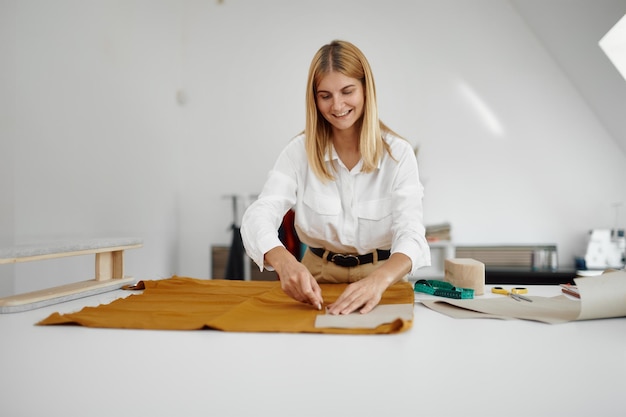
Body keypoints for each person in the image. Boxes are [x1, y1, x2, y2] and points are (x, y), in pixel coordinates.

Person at [241, 40, 431, 315]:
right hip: (317, 277)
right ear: (314, 99)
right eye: (325, 95)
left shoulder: (398, 155)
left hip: (383, 278)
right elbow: (259, 214)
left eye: (347, 91)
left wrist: (378, 281)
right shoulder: (298, 152)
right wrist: (284, 262)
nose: (337, 105)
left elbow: (411, 234)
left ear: (366, 89)